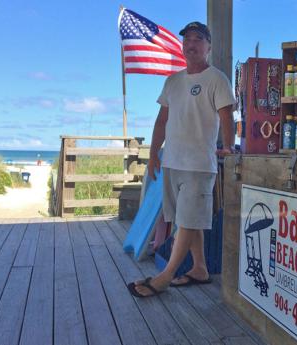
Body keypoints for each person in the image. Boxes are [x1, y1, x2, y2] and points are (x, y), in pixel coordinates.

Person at [127, 21, 235, 297]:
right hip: (171, 163)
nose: (192, 44)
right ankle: (199, 268)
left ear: (208, 46)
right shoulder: (172, 82)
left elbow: (226, 116)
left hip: (199, 165)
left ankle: (165, 276)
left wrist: (229, 145)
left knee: (187, 222)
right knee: (187, 219)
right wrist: (152, 154)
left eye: (198, 39)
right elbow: (162, 120)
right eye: (187, 39)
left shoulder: (217, 79)